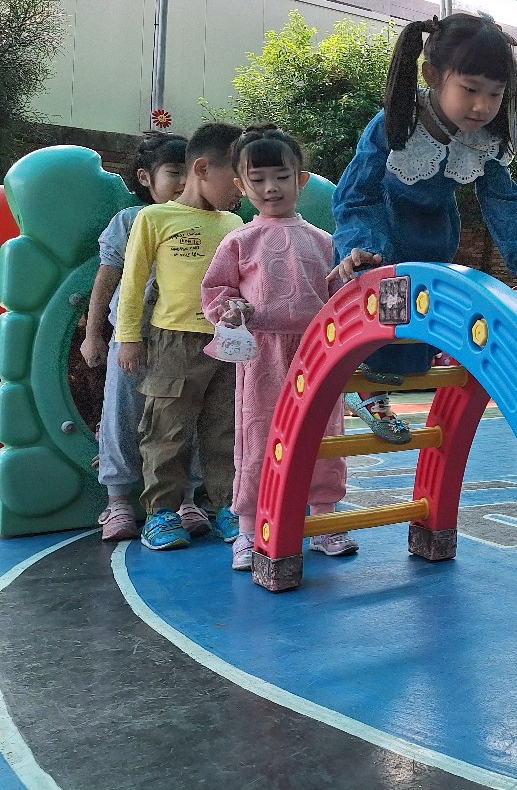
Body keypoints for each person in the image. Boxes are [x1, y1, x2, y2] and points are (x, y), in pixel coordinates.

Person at [330, 12, 517, 443]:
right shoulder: (399, 122)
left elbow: (502, 198)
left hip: (436, 234)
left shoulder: (485, 137)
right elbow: (357, 193)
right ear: (432, 76)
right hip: (383, 230)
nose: (482, 106)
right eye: (470, 89)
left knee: (421, 322)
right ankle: (369, 389)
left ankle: (391, 383)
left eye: (495, 94)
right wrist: (361, 244)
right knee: (387, 311)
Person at [203, 126, 356, 571]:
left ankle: (324, 521)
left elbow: (339, 298)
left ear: (301, 180)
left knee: (325, 435)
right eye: (258, 179)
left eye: (282, 176)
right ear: (241, 185)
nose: (271, 187)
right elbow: (216, 290)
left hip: (316, 353)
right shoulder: (239, 240)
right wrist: (231, 311)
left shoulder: (325, 241)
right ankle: (249, 530)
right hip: (262, 354)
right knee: (257, 439)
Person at [117, 122, 245, 550]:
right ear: (203, 169)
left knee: (225, 429)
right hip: (174, 340)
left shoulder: (234, 222)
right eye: (236, 177)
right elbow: (133, 282)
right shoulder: (155, 218)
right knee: (167, 430)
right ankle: (161, 514)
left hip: (227, 341)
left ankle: (226, 507)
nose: (243, 189)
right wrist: (129, 338)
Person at [82, 132, 205, 541]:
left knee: (185, 418)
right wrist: (94, 335)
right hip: (132, 339)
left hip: (185, 340)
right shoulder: (131, 221)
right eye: (174, 173)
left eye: (192, 173)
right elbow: (106, 280)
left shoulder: (208, 222)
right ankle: (117, 501)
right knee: (122, 414)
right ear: (145, 178)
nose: (184, 182)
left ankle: (185, 498)